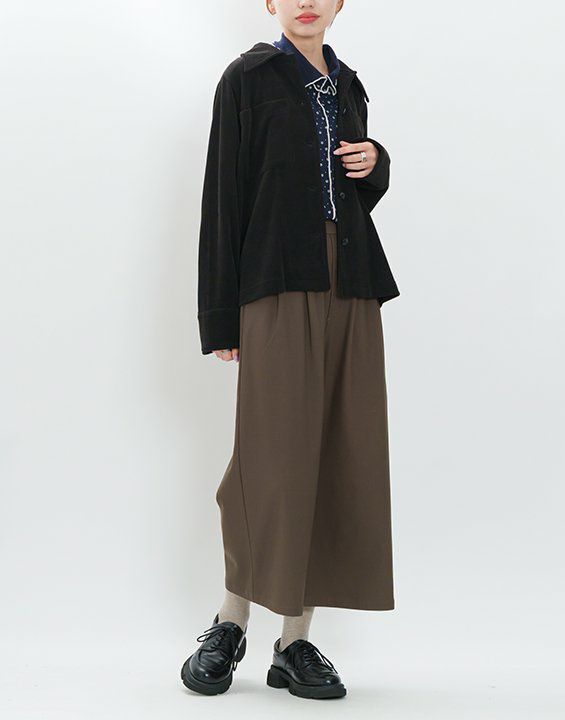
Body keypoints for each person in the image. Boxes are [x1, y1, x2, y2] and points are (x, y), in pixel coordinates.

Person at [181, 0, 399, 701]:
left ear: (340, 4)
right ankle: (230, 621)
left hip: (352, 284)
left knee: (338, 451)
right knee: (271, 455)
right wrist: (220, 317)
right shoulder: (247, 79)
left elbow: (354, 193)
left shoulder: (349, 83)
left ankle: (295, 640)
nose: (307, 0)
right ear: (271, 2)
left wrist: (377, 162)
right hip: (275, 282)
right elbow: (224, 196)